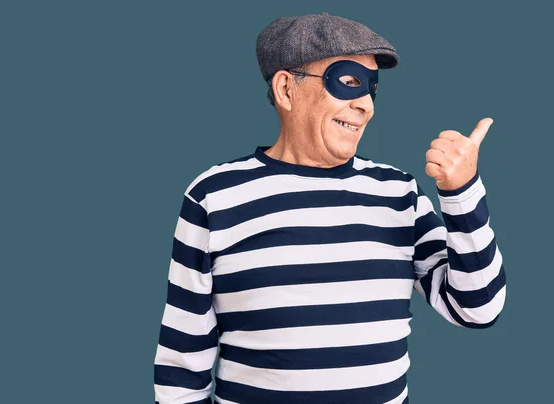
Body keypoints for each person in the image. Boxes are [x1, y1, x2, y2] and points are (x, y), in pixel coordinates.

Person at [153, 12, 506, 404]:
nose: (366, 105)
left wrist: (462, 193)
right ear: (286, 89)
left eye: (372, 87)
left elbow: (478, 308)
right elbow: (182, 366)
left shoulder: (399, 193)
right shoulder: (215, 196)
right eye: (349, 81)